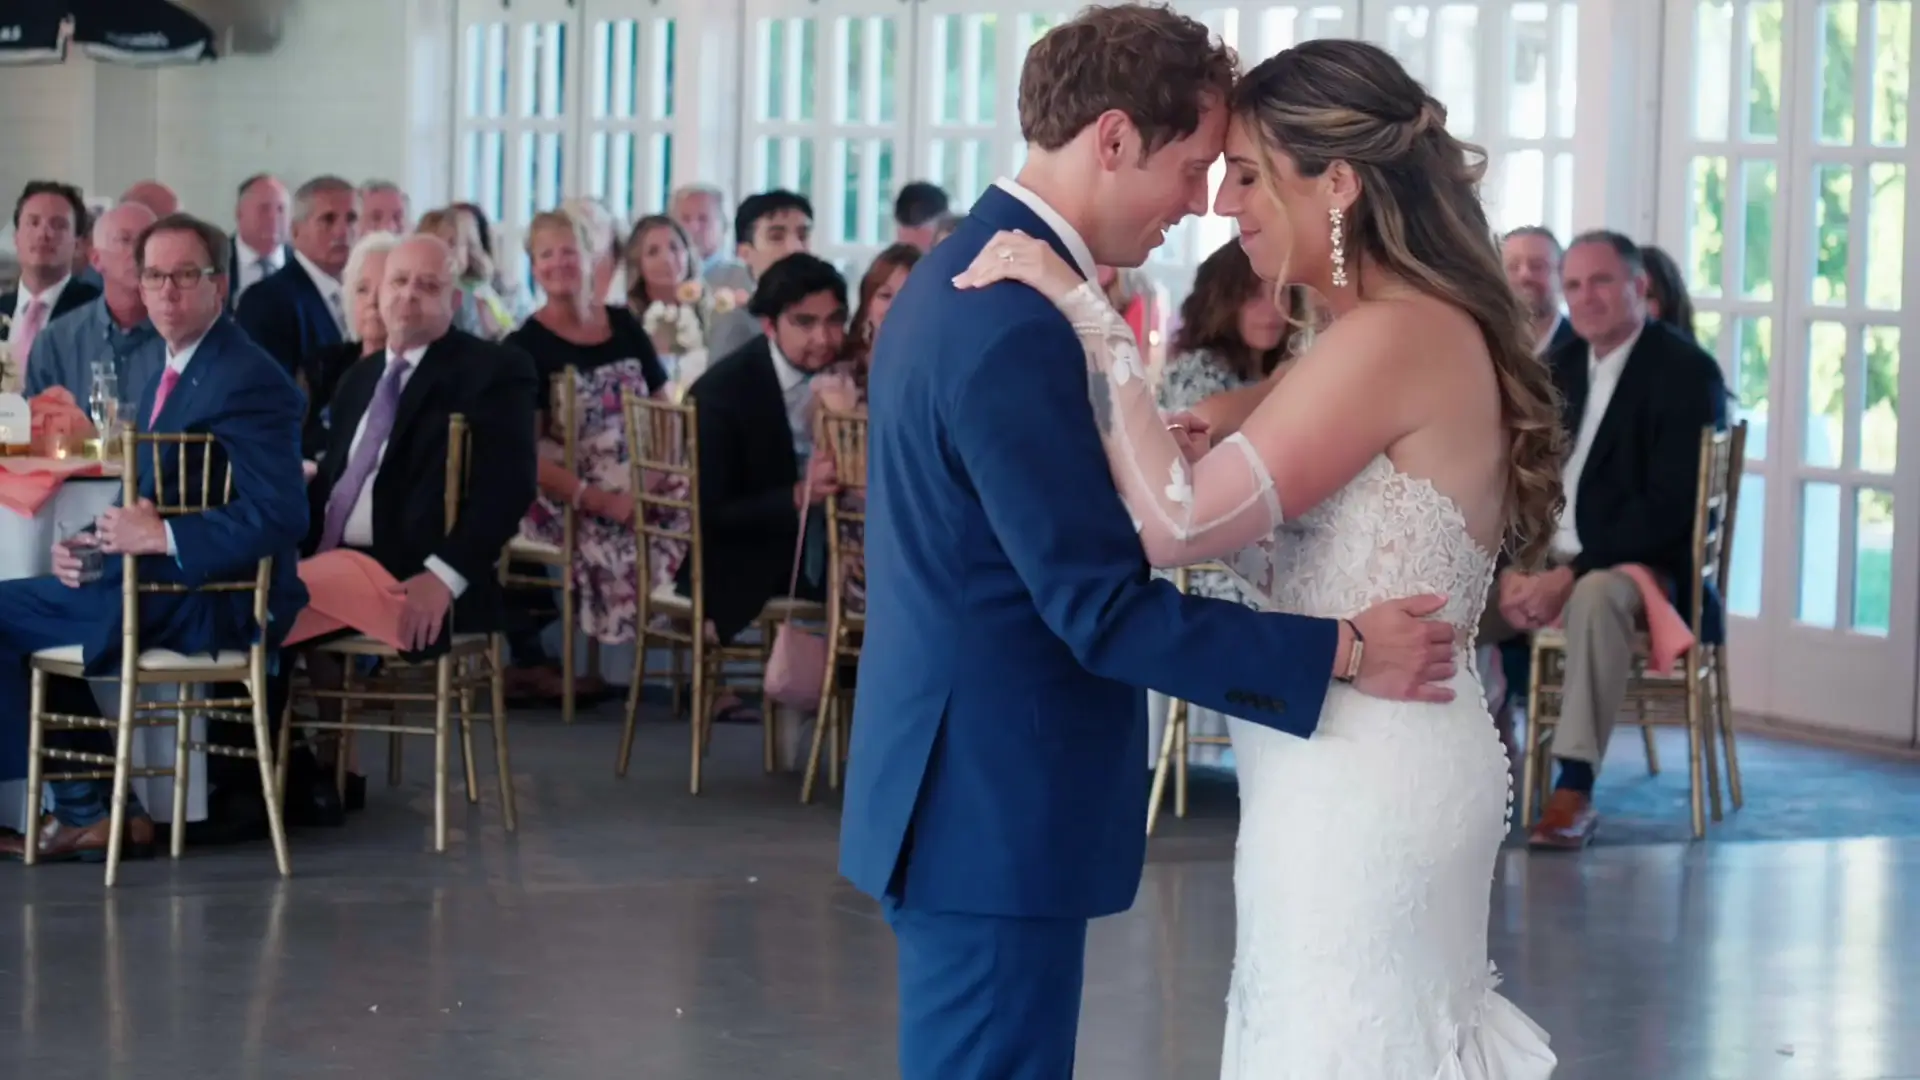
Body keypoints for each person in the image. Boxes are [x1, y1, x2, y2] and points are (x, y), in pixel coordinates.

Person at [837, 10, 1473, 1079]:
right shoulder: (1013, 319)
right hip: (990, 807)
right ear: (1116, 138)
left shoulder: (972, 281)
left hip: (967, 792)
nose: (1203, 205)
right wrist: (1345, 652)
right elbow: (1097, 608)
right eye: (1192, 169)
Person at [0, 213, 309, 861]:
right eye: (155, 276)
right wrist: (84, 544)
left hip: (210, 595)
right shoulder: (176, 367)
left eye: (185, 276)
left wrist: (165, 537)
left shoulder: (246, 375)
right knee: (15, 610)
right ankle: (97, 804)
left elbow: (282, 514)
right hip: (155, 584)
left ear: (218, 287)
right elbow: (149, 496)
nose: (167, 291)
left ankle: (90, 803)